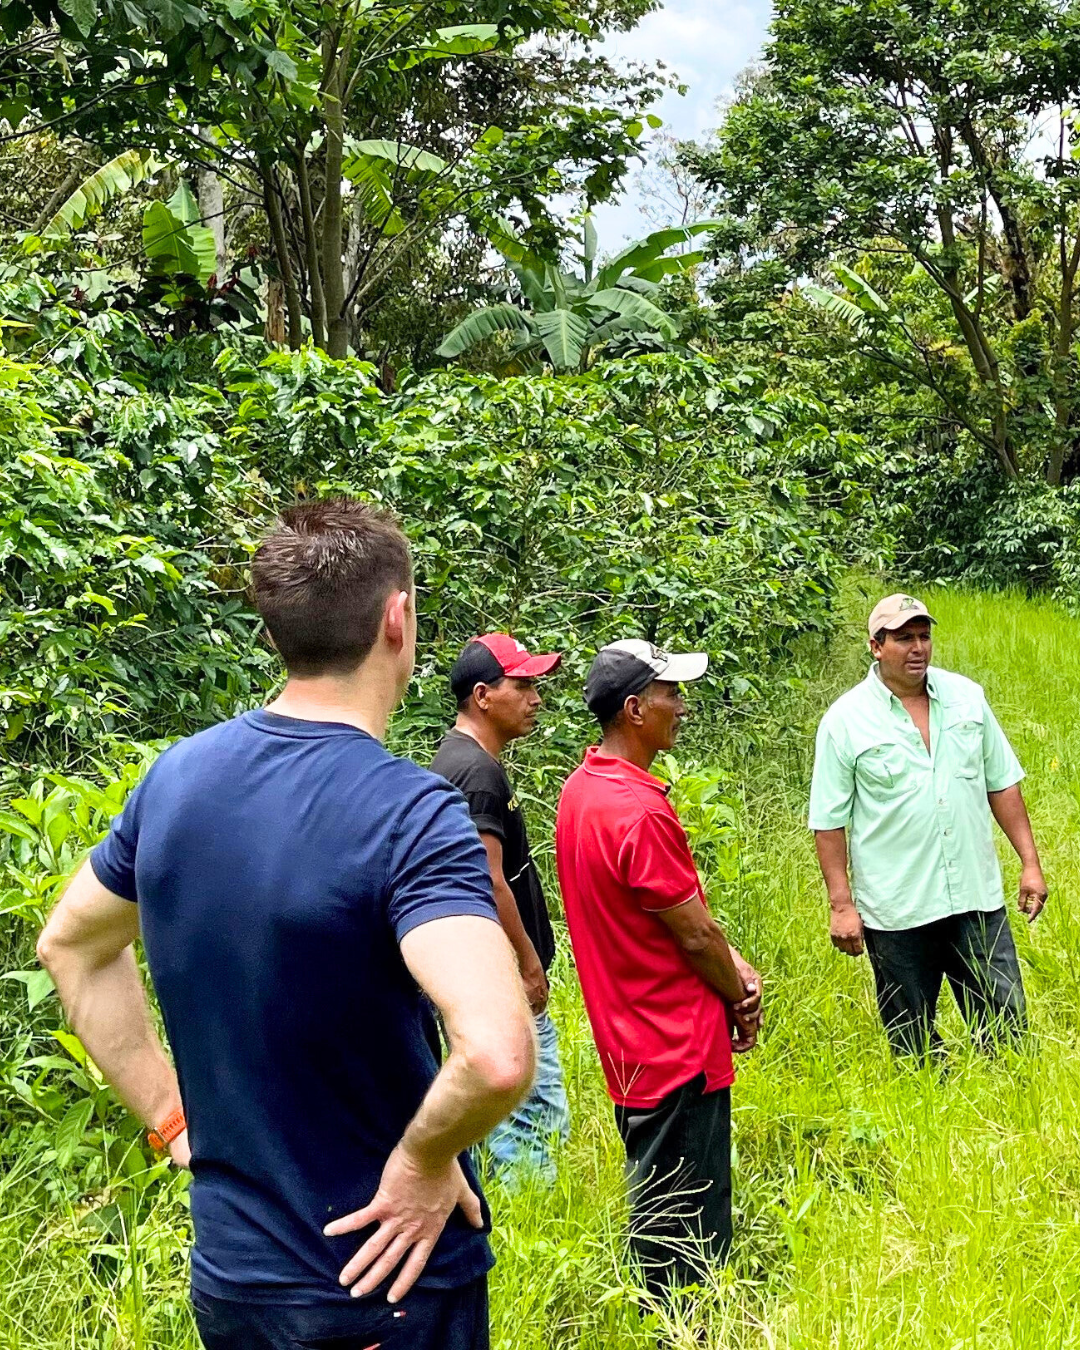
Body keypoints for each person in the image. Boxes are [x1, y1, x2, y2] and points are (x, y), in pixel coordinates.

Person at [37, 498, 536, 1350]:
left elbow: (70, 946)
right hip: (386, 1283)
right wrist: (420, 1162)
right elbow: (497, 1054)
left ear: (279, 632)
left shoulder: (177, 782)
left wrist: (171, 1119)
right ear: (398, 619)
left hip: (235, 1282)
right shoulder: (409, 812)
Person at [555, 639, 762, 1294]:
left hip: (629, 1044)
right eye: (672, 693)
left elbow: (675, 920)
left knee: (656, 1204)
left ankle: (662, 1318)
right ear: (636, 709)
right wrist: (740, 992)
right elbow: (696, 937)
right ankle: (689, 1329)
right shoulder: (639, 811)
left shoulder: (582, 792)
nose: (683, 705)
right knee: (692, 1227)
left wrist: (728, 955)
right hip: (676, 1044)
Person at [809, 593, 1048, 1057]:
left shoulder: (966, 698)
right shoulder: (845, 721)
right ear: (876, 646)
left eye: (924, 636)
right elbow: (828, 822)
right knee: (913, 1043)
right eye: (903, 639)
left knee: (1008, 1035)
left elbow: (1002, 784)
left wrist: (1030, 863)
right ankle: (927, 1116)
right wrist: (842, 905)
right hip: (898, 907)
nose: (918, 647)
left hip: (975, 896)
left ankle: (1009, 1115)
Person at [431, 634, 570, 1183]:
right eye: (524, 685)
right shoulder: (478, 774)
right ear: (484, 695)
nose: (535, 697)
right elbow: (487, 879)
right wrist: (528, 963)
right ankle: (531, 1218)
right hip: (501, 973)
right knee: (533, 1111)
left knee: (507, 1108)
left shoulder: (457, 758)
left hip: (480, 969)